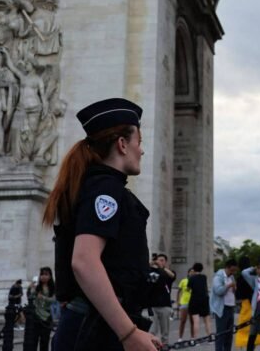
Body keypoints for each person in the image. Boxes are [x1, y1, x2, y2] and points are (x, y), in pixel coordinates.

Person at [43, 98, 160, 351]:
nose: (142, 151)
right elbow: (84, 261)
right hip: (95, 330)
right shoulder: (104, 189)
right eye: (139, 143)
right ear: (122, 144)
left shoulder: (95, 186)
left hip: (96, 324)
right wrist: (128, 334)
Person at [144, 254, 175, 346]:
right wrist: (153, 263)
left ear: (165, 262)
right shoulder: (152, 271)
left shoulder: (167, 273)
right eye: (158, 260)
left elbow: (172, 276)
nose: (160, 262)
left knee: (165, 332)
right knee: (152, 330)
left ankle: (164, 347)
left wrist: (161, 267)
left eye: (162, 260)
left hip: (165, 305)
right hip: (152, 306)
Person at [24, 268, 57, 351]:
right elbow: (30, 297)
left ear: (50, 276)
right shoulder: (37, 287)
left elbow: (54, 299)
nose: (43, 276)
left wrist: (43, 297)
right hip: (36, 316)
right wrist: (30, 288)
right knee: (34, 340)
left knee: (44, 340)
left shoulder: (52, 287)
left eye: (46, 274)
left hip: (47, 317)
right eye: (42, 274)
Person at [210, 259, 238, 351]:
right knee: (221, 334)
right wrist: (229, 285)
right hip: (222, 309)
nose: (232, 272)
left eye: (234, 271)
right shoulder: (218, 277)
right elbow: (218, 291)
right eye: (231, 270)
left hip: (231, 307)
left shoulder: (232, 277)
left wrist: (234, 288)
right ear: (227, 267)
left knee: (229, 335)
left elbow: (233, 291)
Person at [186, 263, 210, 336]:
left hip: (194, 299)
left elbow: (188, 289)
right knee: (207, 320)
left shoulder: (191, 278)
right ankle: (209, 336)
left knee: (196, 321)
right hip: (204, 299)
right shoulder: (204, 277)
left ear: (193, 269)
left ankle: (196, 338)